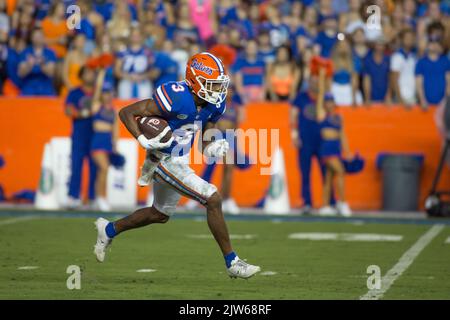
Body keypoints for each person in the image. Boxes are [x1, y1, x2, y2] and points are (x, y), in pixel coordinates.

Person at [93, 52, 261, 279]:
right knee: (212, 198)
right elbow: (127, 112)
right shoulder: (177, 96)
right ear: (195, 81)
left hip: (181, 159)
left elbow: (204, 139)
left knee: (159, 214)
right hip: (163, 158)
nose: (218, 90)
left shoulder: (214, 103)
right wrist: (143, 140)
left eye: (218, 84)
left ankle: (108, 229)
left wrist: (211, 147)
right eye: (212, 84)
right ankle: (232, 262)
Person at [290, 68, 335, 214]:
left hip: (322, 141)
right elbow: (293, 116)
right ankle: (307, 202)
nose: (314, 83)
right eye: (312, 81)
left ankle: (330, 202)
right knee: (305, 172)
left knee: (327, 172)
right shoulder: (301, 97)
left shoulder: (325, 98)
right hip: (305, 140)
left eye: (317, 81)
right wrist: (294, 135)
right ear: (308, 82)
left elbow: (329, 115)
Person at [315, 67, 352, 216]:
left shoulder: (338, 117)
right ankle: (342, 203)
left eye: (331, 101)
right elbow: (321, 95)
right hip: (327, 149)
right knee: (340, 171)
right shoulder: (322, 114)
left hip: (336, 148)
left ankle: (325, 206)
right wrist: (323, 78)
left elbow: (342, 135)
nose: (329, 104)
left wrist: (347, 151)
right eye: (327, 102)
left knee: (329, 178)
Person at [64, 66, 98, 209]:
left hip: (96, 135)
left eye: (93, 72)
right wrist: (85, 113)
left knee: (94, 167)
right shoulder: (75, 93)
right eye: (88, 72)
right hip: (79, 134)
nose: (91, 75)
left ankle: (91, 198)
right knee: (76, 165)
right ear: (81, 75)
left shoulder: (99, 92)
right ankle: (73, 196)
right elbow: (68, 110)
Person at [90, 69, 118, 212]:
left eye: (109, 92)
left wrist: (115, 145)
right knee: (104, 168)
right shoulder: (97, 106)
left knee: (102, 171)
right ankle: (101, 198)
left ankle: (98, 198)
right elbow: (97, 126)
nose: (107, 95)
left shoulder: (113, 110)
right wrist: (100, 74)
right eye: (104, 92)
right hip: (97, 142)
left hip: (107, 143)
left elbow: (115, 129)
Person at [17, 28, 56, 96]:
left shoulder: (50, 53)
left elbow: (51, 73)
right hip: (29, 89)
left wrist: (42, 64)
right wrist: (29, 65)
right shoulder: (25, 52)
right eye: (35, 36)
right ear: (31, 38)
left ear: (43, 37)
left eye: (40, 36)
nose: (38, 39)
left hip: (46, 89)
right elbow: (20, 74)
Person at [415, 35, 450, 110]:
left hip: (443, 105)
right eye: (431, 42)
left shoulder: (445, 61)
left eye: (436, 42)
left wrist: (445, 101)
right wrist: (422, 100)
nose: (434, 44)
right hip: (426, 105)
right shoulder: (421, 62)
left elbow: (449, 82)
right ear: (427, 45)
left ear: (439, 45)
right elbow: (419, 84)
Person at [390, 28, 417, 107]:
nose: (410, 40)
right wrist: (400, 99)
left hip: (412, 97)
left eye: (412, 38)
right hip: (402, 98)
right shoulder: (397, 57)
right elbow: (394, 79)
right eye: (407, 38)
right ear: (402, 40)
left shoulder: (414, 57)